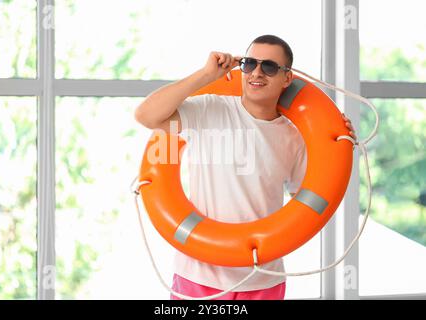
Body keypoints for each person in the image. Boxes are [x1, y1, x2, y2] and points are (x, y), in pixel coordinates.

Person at [134, 35, 355, 300]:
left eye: (269, 67)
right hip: (198, 276)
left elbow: (306, 202)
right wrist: (205, 75)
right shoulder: (209, 109)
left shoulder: (295, 138)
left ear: (287, 78)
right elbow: (145, 116)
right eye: (250, 64)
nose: (257, 73)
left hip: (262, 280)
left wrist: (338, 148)